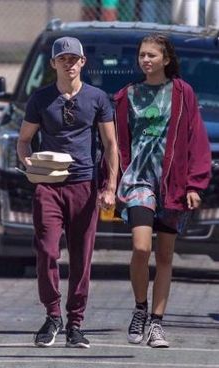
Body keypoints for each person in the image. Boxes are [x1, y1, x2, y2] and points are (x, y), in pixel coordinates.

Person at [17, 36, 118, 348]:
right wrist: (29, 163)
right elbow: (24, 140)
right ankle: (52, 315)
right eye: (63, 59)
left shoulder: (98, 98)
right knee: (47, 250)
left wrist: (109, 186)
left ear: (83, 62)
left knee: (81, 258)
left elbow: (111, 145)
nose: (69, 63)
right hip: (49, 186)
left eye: (74, 59)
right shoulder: (40, 99)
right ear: (53, 64)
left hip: (84, 186)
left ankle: (75, 323)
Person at [114, 33, 211, 348]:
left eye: (152, 55)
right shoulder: (127, 96)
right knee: (141, 248)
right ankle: (140, 308)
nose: (145, 60)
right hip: (139, 181)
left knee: (166, 255)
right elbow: (116, 143)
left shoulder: (183, 93)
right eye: (142, 55)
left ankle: (157, 323)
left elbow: (197, 140)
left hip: (172, 183)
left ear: (166, 59)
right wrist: (110, 182)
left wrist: (195, 184)